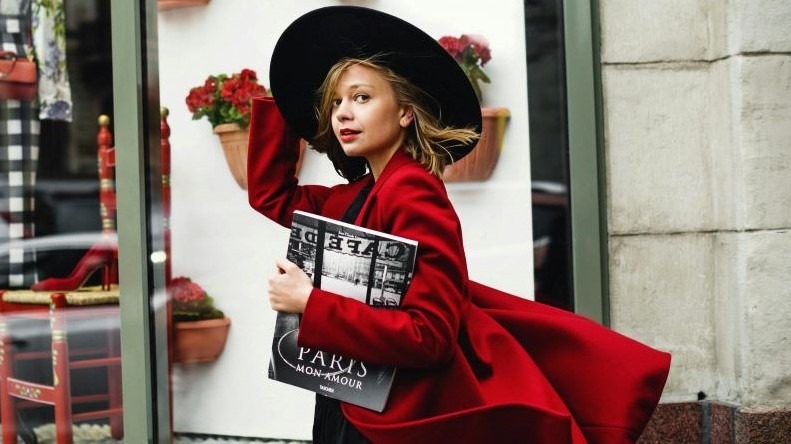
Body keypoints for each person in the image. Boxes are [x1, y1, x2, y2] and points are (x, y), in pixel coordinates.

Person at [248, 6, 671, 444]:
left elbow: (430, 336)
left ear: (405, 112)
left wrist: (309, 302)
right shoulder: (356, 196)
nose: (342, 113)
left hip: (392, 423)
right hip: (348, 402)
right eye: (336, 102)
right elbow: (271, 195)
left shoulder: (412, 191)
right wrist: (286, 98)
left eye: (362, 97)